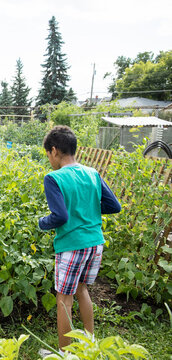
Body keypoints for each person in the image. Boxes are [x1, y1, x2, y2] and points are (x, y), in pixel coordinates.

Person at [38, 126, 121, 356]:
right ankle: (88, 346)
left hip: (72, 244)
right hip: (95, 243)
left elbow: (60, 217)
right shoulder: (92, 173)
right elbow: (115, 206)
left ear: (54, 151)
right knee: (82, 290)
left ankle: (66, 354)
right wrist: (88, 209)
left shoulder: (53, 178)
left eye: (48, 154)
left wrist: (42, 222)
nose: (49, 159)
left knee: (63, 300)